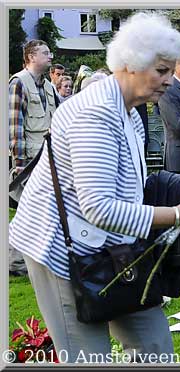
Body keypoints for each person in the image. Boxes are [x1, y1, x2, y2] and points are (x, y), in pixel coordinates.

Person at [8, 13, 180, 363]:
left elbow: (128, 180)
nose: (169, 80)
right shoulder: (96, 112)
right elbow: (99, 207)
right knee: (89, 357)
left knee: (154, 348)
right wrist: (179, 214)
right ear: (132, 64)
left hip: (109, 246)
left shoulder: (130, 110)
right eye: (162, 71)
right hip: (62, 249)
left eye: (171, 70)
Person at [8, 39, 57, 276]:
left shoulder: (48, 86)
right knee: (29, 210)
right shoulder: (18, 83)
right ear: (31, 57)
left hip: (48, 159)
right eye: (45, 53)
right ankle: (15, 262)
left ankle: (30, 259)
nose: (50, 56)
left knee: (39, 210)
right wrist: (19, 165)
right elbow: (14, 126)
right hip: (28, 162)